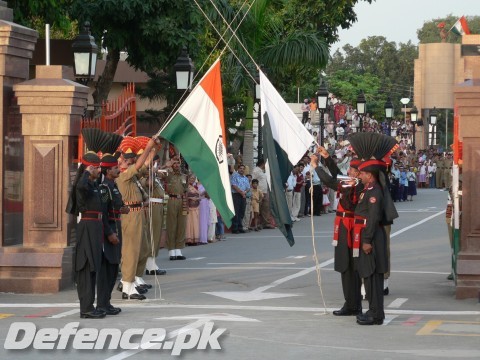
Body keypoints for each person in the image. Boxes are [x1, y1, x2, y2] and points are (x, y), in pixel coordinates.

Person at [311, 147, 363, 317]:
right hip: (345, 226)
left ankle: (352, 304)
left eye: (352, 169)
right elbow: (338, 175)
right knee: (347, 267)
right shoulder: (353, 181)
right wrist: (327, 158)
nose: (348, 171)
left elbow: (332, 182)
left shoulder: (355, 184)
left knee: (347, 267)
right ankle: (352, 303)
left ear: (357, 172)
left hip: (348, 228)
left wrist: (317, 166)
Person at [116, 136, 158, 300]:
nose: (130, 162)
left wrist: (155, 149)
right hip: (131, 214)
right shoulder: (123, 176)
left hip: (138, 212)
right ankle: (127, 285)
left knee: (143, 248)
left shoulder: (131, 176)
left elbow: (145, 164)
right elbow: (140, 164)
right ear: (121, 165)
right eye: (127, 161)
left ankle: (132, 280)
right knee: (131, 250)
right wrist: (148, 147)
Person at [69, 151, 106, 318]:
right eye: (97, 168)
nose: (100, 171)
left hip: (96, 227)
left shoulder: (93, 185)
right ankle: (86, 309)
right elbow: (81, 186)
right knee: (86, 266)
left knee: (93, 267)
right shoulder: (82, 185)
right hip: (87, 227)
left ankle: (90, 306)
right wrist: (86, 171)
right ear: (89, 168)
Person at [354, 160, 389, 325]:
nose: (359, 176)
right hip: (368, 235)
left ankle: (376, 314)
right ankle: (373, 310)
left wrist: (367, 240)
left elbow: (373, 218)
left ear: (369, 175)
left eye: (361, 173)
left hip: (372, 237)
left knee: (373, 275)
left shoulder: (374, 192)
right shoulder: (367, 189)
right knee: (368, 275)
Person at [161, 156, 188, 260]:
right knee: (172, 226)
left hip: (182, 201)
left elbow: (186, 190)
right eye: (175, 163)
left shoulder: (184, 176)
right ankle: (171, 250)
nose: (177, 165)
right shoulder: (168, 174)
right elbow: (160, 174)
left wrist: (187, 205)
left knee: (181, 226)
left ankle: (179, 250)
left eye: (178, 163)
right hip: (172, 200)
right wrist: (166, 165)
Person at [230, 164, 250, 233]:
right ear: (238, 169)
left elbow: (248, 188)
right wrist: (241, 193)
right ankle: (235, 228)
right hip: (236, 195)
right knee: (236, 211)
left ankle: (240, 227)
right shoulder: (234, 176)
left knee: (242, 212)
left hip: (243, 196)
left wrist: (244, 193)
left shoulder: (246, 178)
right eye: (240, 168)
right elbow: (234, 185)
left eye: (243, 168)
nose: (242, 170)